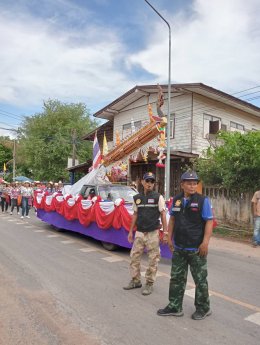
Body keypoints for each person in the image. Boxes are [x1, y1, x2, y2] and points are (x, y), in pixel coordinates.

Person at [157, 170, 213, 320]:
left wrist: (205, 242)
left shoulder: (203, 200)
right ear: (182, 184)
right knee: (176, 279)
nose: (192, 185)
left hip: (196, 248)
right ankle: (175, 306)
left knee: (200, 280)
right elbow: (173, 219)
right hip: (179, 247)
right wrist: (168, 236)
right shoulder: (176, 200)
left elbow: (209, 221)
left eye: (195, 183)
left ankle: (203, 308)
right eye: (189, 183)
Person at [123, 172, 167, 296]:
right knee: (134, 258)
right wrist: (131, 231)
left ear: (154, 184)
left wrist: (166, 231)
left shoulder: (158, 197)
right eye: (147, 181)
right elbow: (135, 214)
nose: (149, 184)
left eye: (152, 181)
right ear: (142, 182)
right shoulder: (137, 198)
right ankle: (136, 280)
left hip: (153, 233)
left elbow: (163, 214)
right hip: (139, 233)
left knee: (153, 259)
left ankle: (149, 283)